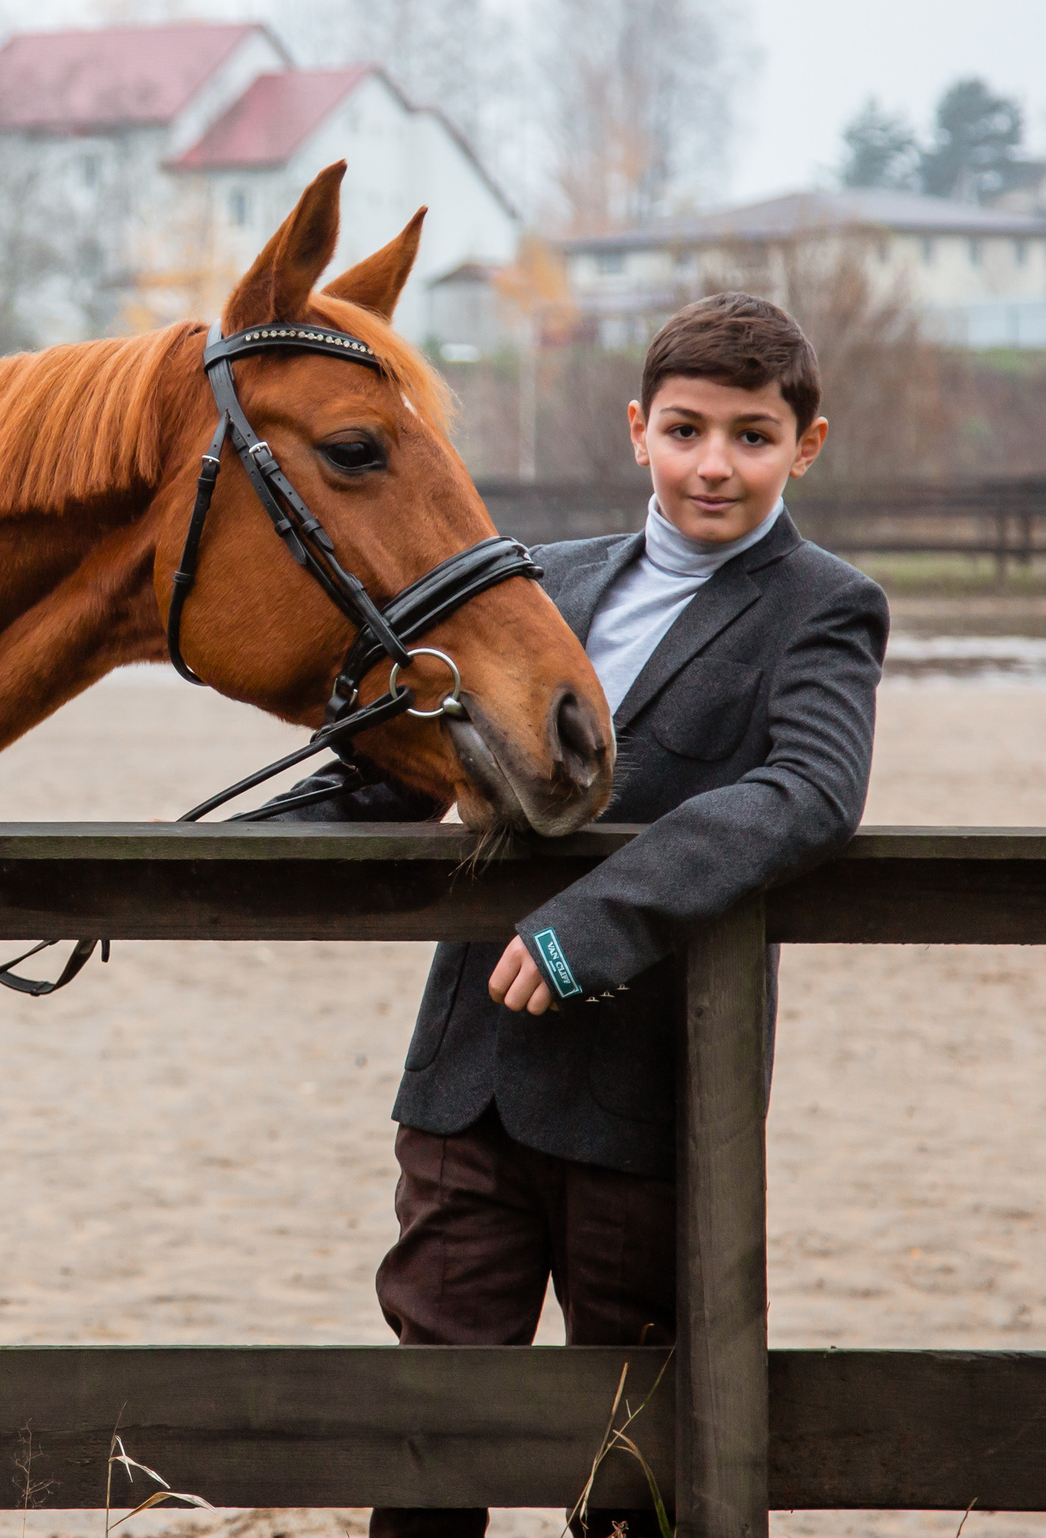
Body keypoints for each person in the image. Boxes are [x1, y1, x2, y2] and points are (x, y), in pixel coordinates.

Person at [275, 292, 888, 1538]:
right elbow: (406, 762)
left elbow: (810, 792)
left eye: (752, 437)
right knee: (430, 1436)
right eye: (686, 430)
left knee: (632, 1457)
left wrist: (592, 925)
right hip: (469, 1082)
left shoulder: (821, 606)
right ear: (637, 429)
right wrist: (221, 853)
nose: (713, 464)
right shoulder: (533, 582)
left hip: (643, 1092)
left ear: (804, 447)